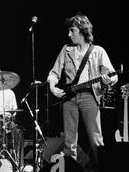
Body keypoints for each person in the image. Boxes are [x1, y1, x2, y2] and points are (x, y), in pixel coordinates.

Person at [47, 13, 117, 164]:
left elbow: (112, 75)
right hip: (69, 98)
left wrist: (108, 79)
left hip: (89, 96)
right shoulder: (66, 50)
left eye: (72, 30)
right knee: (69, 140)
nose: (69, 34)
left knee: (96, 138)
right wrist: (52, 87)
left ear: (82, 30)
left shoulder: (98, 51)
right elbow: (54, 73)